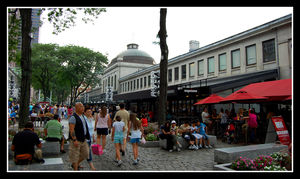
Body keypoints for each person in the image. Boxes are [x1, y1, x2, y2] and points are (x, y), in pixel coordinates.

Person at [68, 102, 90, 171]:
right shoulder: (73, 117)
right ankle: (75, 168)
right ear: (76, 108)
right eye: (80, 106)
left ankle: (76, 164)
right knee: (75, 156)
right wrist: (74, 139)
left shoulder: (82, 116)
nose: (82, 108)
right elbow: (71, 130)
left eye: (83, 106)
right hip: (76, 140)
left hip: (83, 139)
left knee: (86, 154)